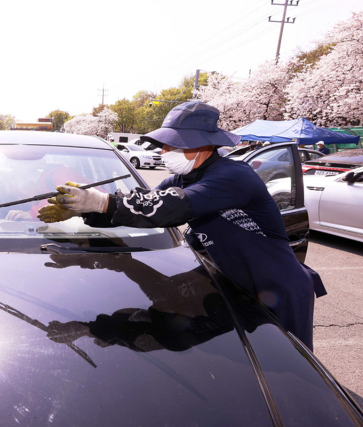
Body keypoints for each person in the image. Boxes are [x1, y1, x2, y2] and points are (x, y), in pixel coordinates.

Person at [39, 101, 326, 351]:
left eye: (174, 144)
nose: (165, 151)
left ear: (205, 144)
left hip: (278, 290)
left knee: (291, 373)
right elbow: (144, 205)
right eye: (165, 144)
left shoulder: (233, 176)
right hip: (229, 288)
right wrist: (85, 211)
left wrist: (100, 202)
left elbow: (170, 208)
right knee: (184, 342)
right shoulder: (181, 179)